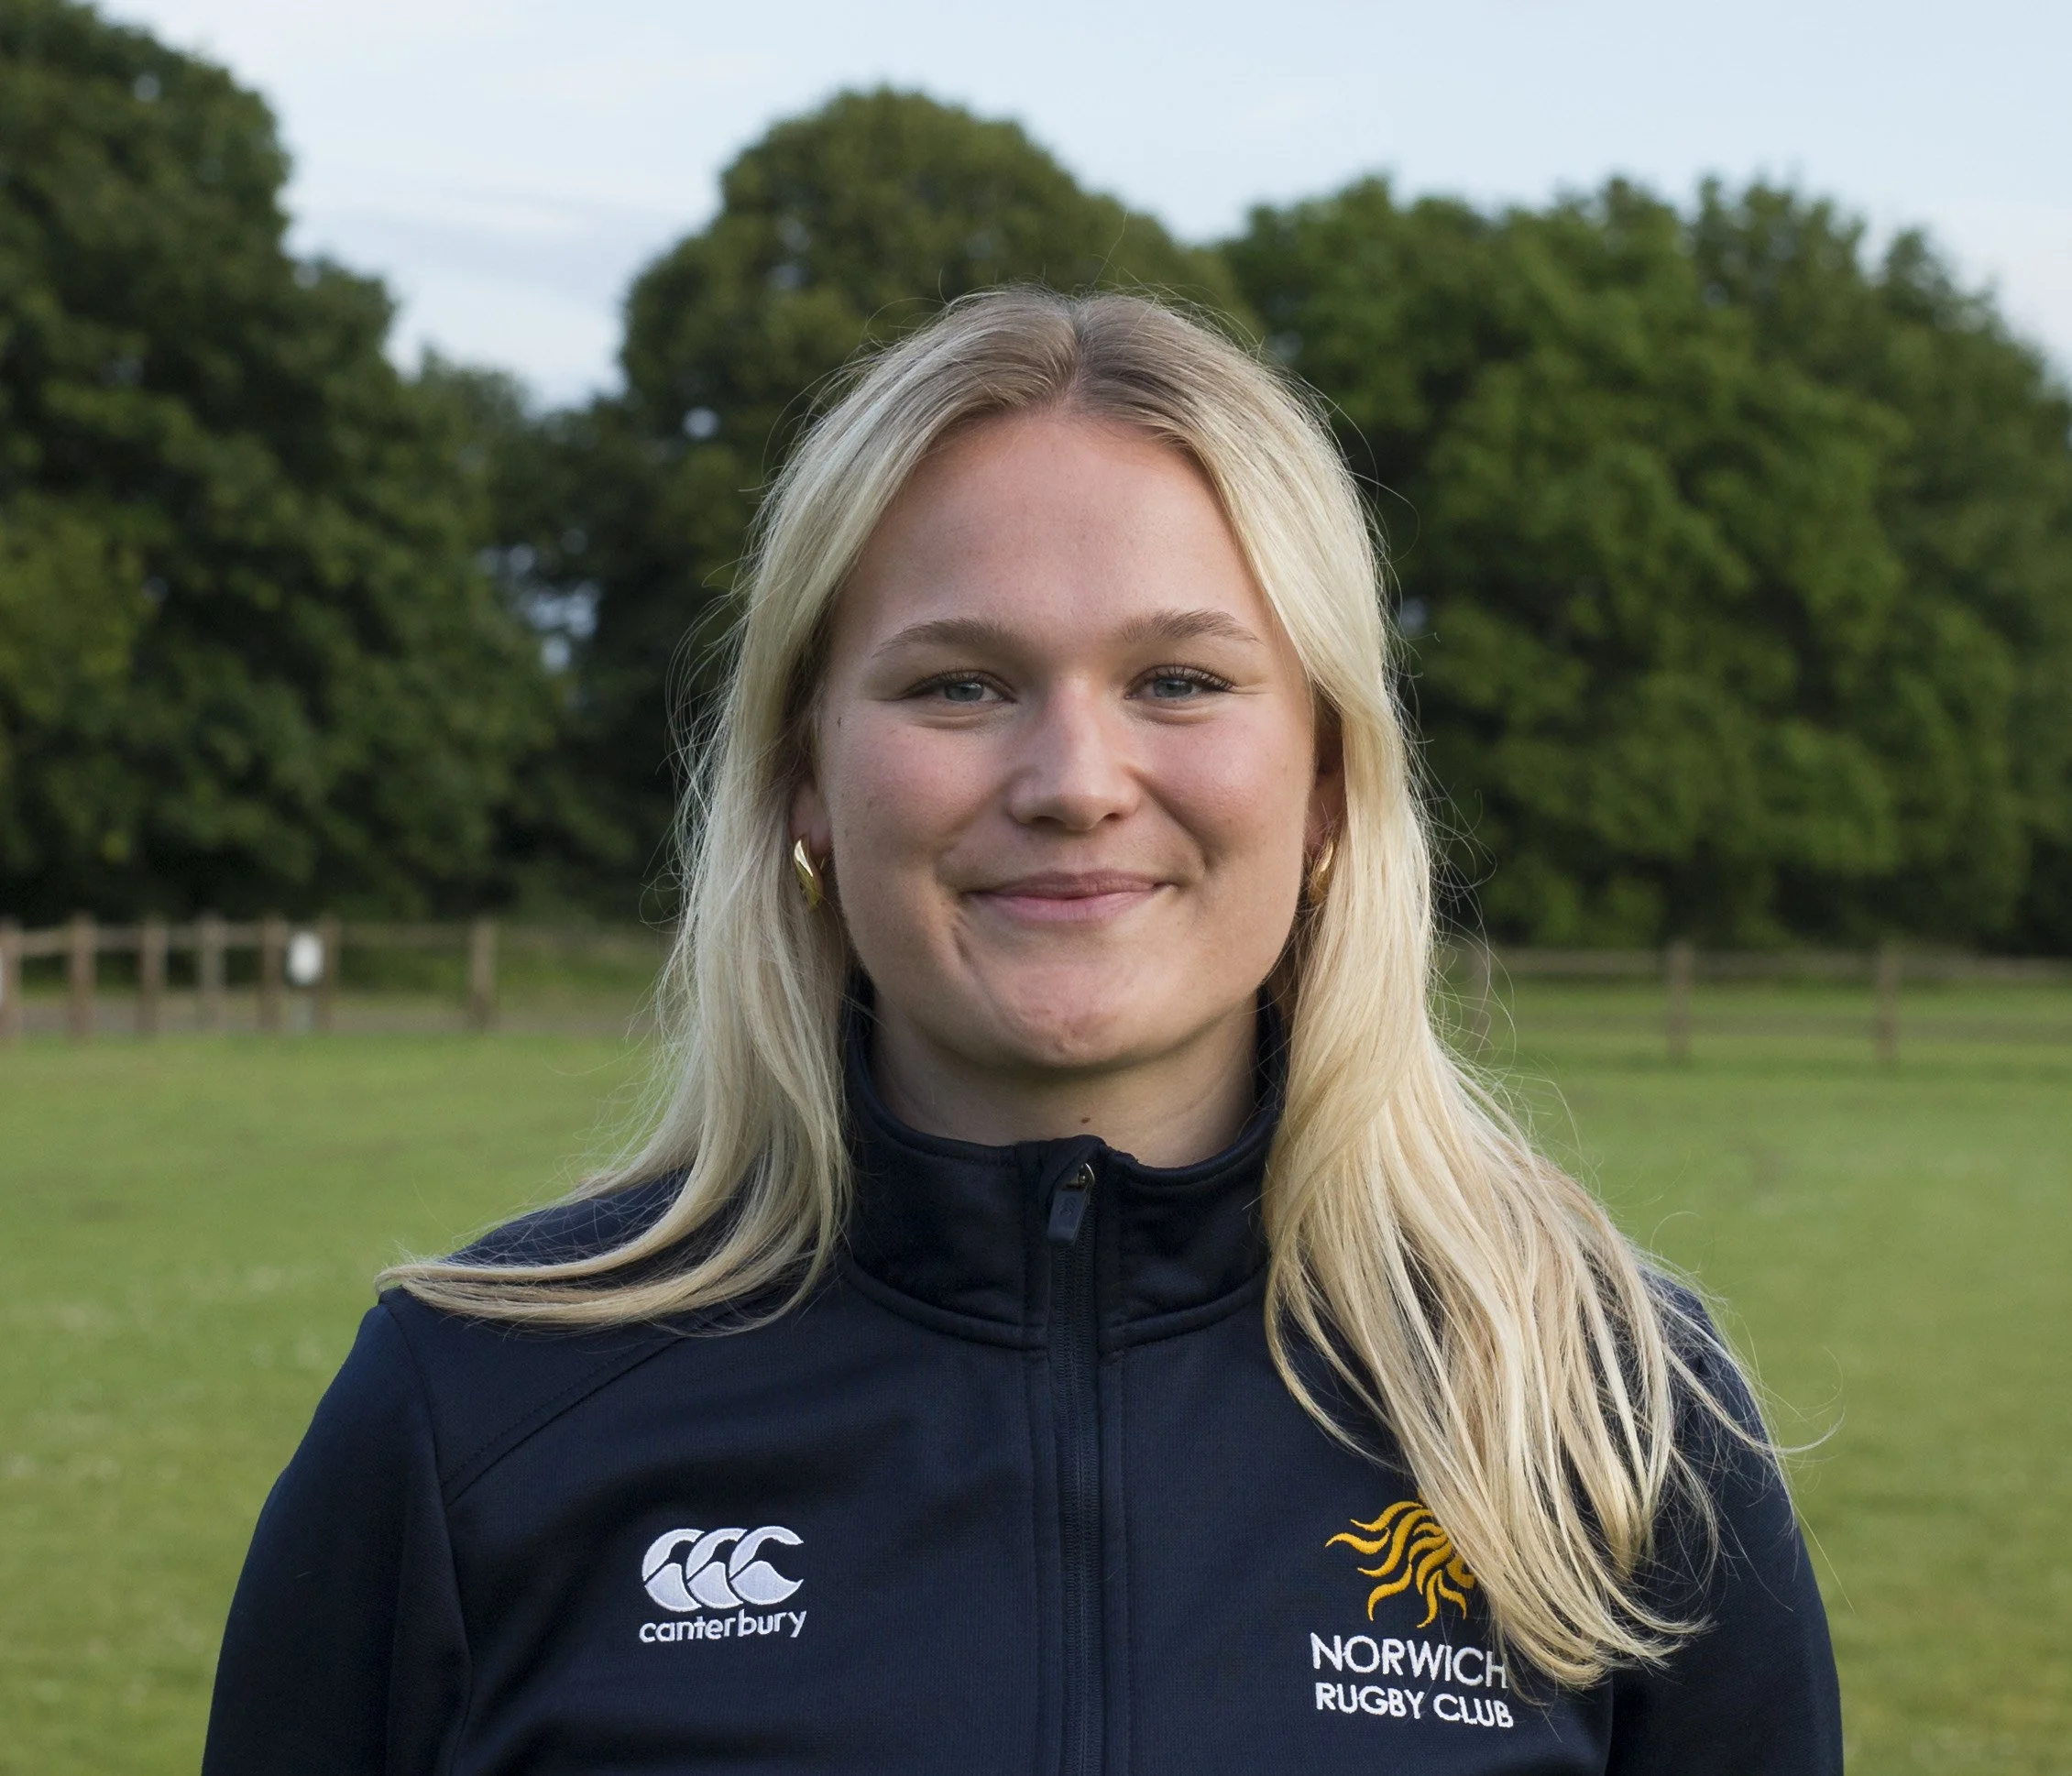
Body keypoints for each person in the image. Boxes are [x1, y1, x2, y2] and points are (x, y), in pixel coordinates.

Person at [203, 289, 1840, 1774]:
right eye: (961, 684)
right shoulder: (476, 1410)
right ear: (803, 778)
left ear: (1331, 777)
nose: (1071, 778)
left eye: (1183, 681)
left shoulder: (1612, 1415)